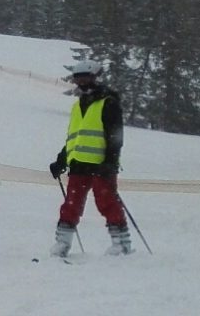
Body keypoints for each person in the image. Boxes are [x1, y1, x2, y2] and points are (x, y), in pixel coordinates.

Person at [47, 60, 132, 257]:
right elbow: (74, 138)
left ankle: (121, 243)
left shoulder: (108, 102)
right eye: (78, 78)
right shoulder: (78, 106)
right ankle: (62, 243)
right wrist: (61, 160)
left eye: (85, 77)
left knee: (107, 202)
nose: (81, 82)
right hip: (78, 164)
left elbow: (115, 137)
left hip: (102, 165)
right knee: (71, 204)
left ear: (95, 77)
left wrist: (110, 161)